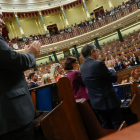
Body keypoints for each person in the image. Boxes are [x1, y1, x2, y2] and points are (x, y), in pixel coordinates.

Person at [0, 10, 41, 140]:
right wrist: (31, 53)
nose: (2, 23)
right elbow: (18, 62)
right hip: (14, 117)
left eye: (2, 18)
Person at [80, 44, 123, 129]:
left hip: (96, 104)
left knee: (106, 127)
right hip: (109, 102)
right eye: (95, 51)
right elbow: (113, 78)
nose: (96, 53)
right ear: (92, 52)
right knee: (118, 124)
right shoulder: (98, 64)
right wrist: (110, 68)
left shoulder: (82, 68)